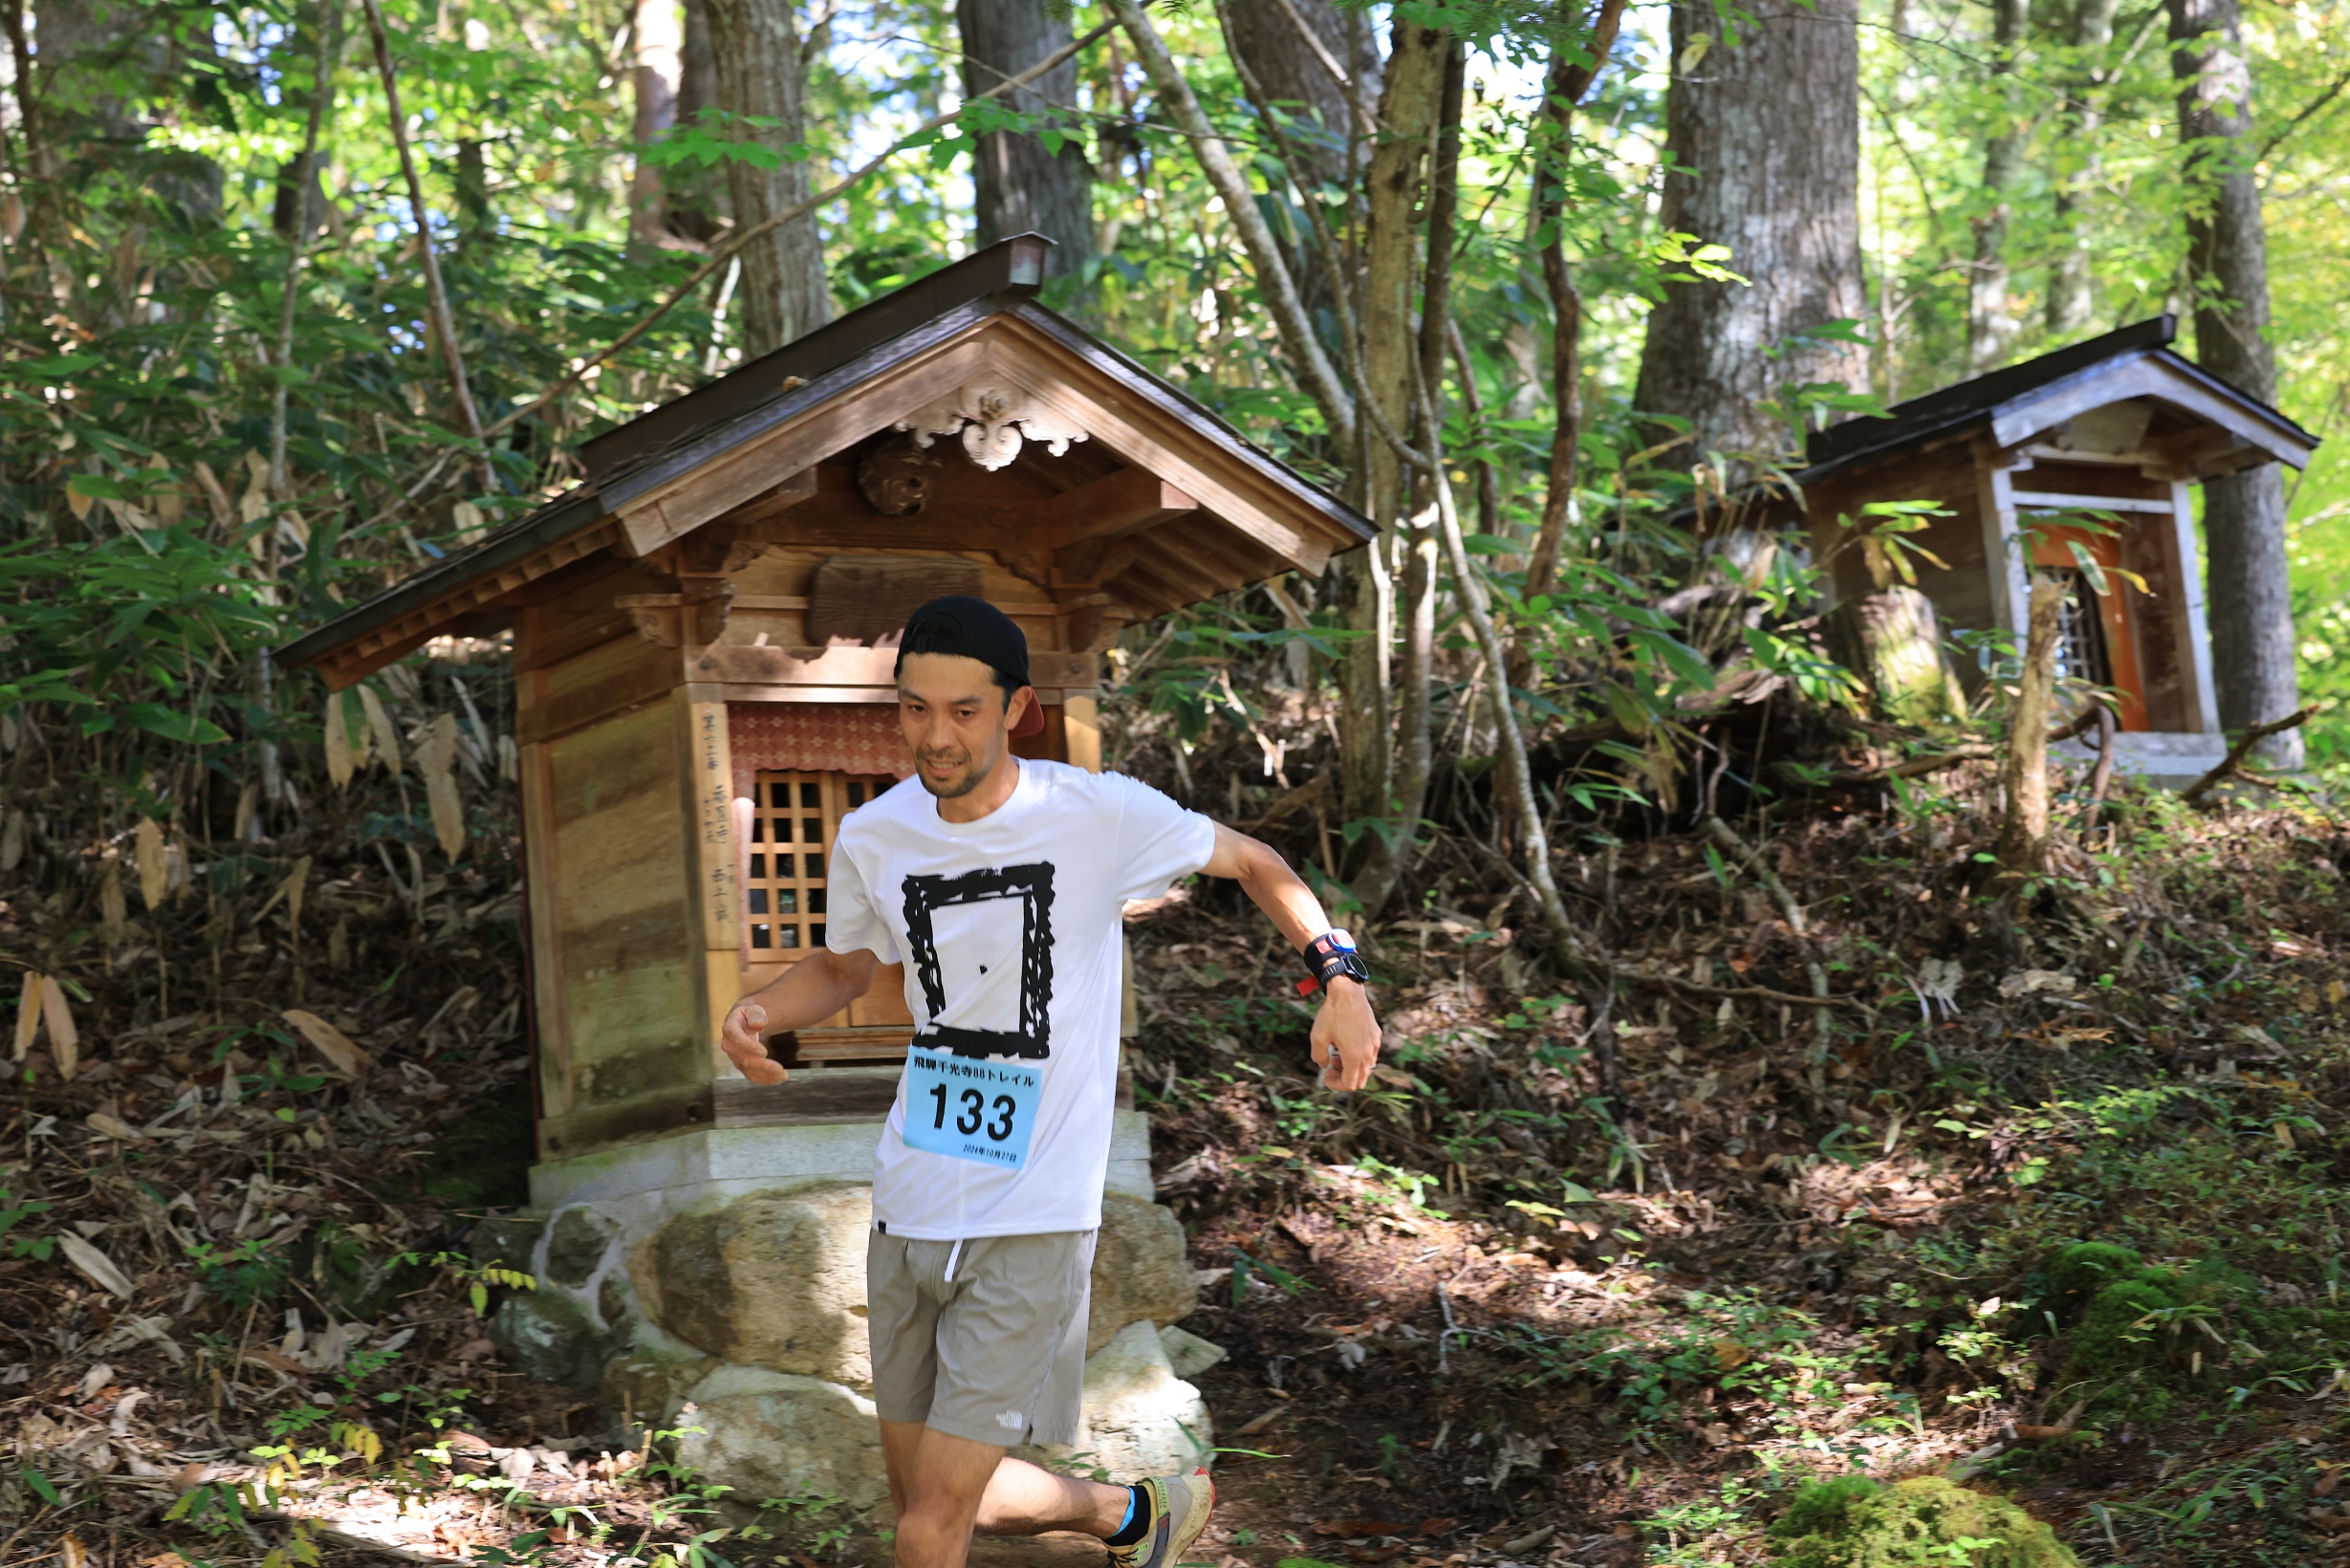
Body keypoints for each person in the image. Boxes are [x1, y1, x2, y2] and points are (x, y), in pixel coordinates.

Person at [717, 596, 1383, 1568]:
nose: (934, 736)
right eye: (913, 709)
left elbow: (1255, 860)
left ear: (1016, 707)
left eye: (962, 710)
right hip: (912, 1197)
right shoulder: (874, 835)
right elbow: (847, 967)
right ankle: (1133, 1515)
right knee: (939, 1498)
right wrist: (758, 1012)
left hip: (1033, 1209)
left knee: (925, 1525)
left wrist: (1340, 977)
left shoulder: (1094, 813)